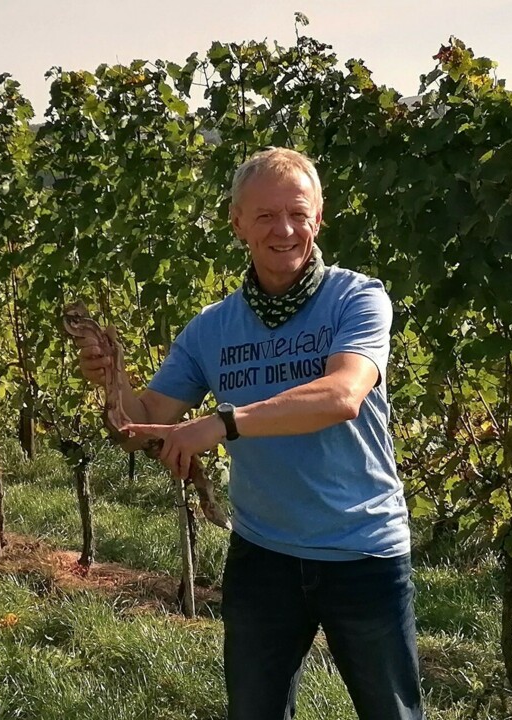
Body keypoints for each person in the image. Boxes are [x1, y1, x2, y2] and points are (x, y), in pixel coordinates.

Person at [74, 147, 423, 720]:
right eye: (264, 216)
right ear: (237, 222)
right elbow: (144, 425)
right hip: (263, 556)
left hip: (363, 551)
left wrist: (223, 421)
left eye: (297, 213)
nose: (283, 229)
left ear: (319, 215)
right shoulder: (212, 328)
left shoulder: (356, 298)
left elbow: (342, 396)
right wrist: (113, 380)